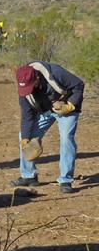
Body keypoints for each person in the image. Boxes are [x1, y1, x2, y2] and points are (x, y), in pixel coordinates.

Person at [11, 62, 85, 193]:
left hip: (66, 107)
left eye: (30, 86)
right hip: (45, 110)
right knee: (23, 136)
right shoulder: (24, 90)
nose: (28, 90)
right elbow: (27, 116)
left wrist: (70, 105)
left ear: (37, 78)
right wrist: (25, 139)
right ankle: (29, 176)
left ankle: (65, 180)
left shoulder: (55, 73)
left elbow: (78, 85)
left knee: (66, 138)